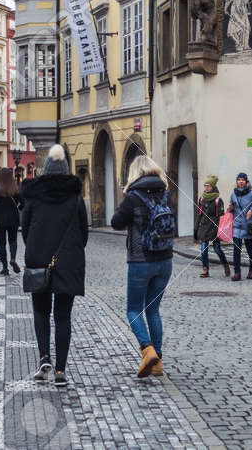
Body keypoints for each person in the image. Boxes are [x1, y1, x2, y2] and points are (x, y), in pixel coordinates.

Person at [21, 145, 87, 387]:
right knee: (62, 316)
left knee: (40, 312)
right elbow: (84, 233)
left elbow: (25, 230)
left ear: (45, 170)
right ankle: (60, 371)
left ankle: (43, 357)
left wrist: (38, 248)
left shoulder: (33, 196)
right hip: (68, 262)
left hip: (39, 260)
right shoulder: (75, 198)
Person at [110, 154, 176, 378]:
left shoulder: (133, 197)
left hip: (141, 261)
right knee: (153, 310)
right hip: (165, 260)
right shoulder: (166, 193)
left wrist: (124, 206)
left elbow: (116, 223)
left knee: (134, 309)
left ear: (134, 173)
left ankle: (147, 351)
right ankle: (157, 363)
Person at [228, 172, 252, 281]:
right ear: (236, 181)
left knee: (250, 250)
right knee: (236, 250)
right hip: (236, 226)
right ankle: (237, 273)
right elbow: (231, 208)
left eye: (243, 180)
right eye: (239, 180)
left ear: (246, 181)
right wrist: (230, 208)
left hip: (248, 226)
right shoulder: (233, 194)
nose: (240, 182)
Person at [195, 175, 229, 278]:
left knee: (217, 249)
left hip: (214, 228)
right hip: (204, 227)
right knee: (203, 249)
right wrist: (196, 228)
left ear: (213, 187)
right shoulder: (202, 199)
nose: (206, 188)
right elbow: (199, 214)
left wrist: (218, 229)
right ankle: (205, 270)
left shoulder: (218, 200)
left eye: (208, 186)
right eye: (205, 186)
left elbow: (221, 217)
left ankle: (225, 265)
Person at [0, 171, 22, 276]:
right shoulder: (14, 186)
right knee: (13, 240)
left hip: (0, 218)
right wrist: (18, 208)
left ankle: (5, 267)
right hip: (13, 218)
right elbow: (22, 201)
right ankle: (12, 258)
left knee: (2, 243)